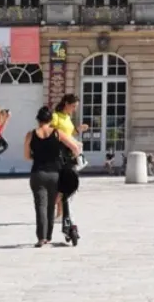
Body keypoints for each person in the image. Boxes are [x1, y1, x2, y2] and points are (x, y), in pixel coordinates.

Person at [24, 106, 82, 247]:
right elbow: (75, 148)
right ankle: (48, 236)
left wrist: (37, 156)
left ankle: (41, 238)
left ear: (38, 120)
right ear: (50, 120)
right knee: (51, 206)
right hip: (55, 174)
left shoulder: (31, 134)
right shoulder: (57, 133)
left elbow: (26, 156)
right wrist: (70, 160)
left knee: (40, 206)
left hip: (37, 174)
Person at [51, 95, 89, 223]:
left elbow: (70, 133)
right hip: (60, 153)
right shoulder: (55, 116)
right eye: (73, 106)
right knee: (63, 184)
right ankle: (53, 210)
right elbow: (51, 133)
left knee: (65, 184)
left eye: (76, 107)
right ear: (66, 104)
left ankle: (59, 213)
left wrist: (78, 130)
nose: (74, 109)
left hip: (70, 153)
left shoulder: (67, 117)